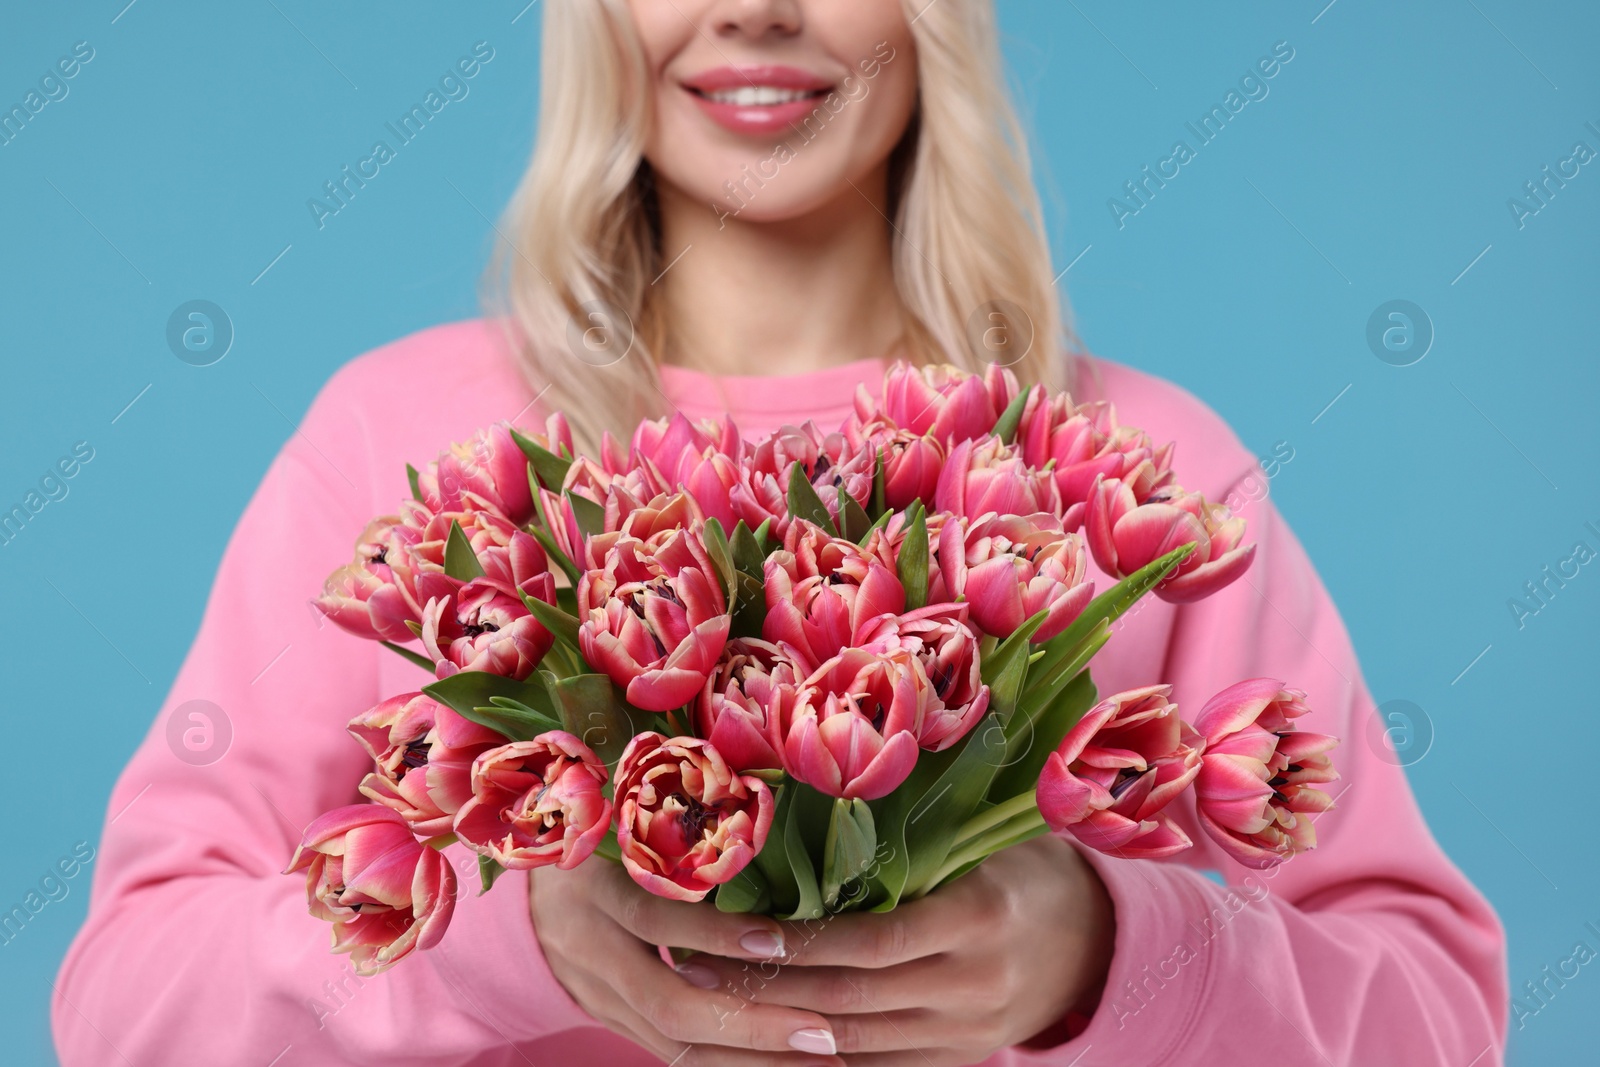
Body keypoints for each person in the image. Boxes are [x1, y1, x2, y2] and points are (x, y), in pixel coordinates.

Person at [53, 2, 1508, 1064]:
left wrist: (1109, 956)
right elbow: (123, 1007)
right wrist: (512, 949)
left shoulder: (1142, 477)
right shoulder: (404, 448)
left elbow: (1439, 1016)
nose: (755, 10)